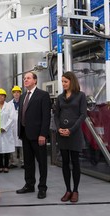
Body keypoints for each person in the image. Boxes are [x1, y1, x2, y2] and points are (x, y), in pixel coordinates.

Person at [16, 71, 51, 199]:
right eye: (24, 78)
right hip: (25, 134)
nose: (25, 80)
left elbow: (46, 117)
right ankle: (29, 185)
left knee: (41, 162)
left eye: (28, 78)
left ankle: (42, 187)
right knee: (28, 162)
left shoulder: (43, 95)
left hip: (38, 136)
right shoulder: (23, 95)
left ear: (35, 80)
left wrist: (43, 134)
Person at [54, 71, 87, 203]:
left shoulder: (81, 96)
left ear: (71, 82)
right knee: (65, 163)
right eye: (62, 82)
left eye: (65, 82)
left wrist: (71, 130)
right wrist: (59, 128)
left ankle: (75, 190)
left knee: (75, 162)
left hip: (74, 134)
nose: (63, 84)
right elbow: (56, 115)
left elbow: (83, 115)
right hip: (62, 134)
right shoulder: (60, 98)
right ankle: (68, 190)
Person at [0, 88, 15, 173]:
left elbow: (11, 118)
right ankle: (0, 166)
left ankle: (6, 166)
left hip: (6, 131)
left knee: (7, 149)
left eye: (2, 95)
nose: (1, 97)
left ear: (5, 97)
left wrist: (5, 127)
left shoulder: (9, 106)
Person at [9, 86, 23, 169]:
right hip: (12, 127)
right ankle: (13, 162)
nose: (16, 94)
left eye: (18, 92)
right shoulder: (9, 104)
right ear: (12, 94)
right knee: (12, 145)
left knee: (22, 145)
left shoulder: (24, 102)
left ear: (20, 93)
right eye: (15, 92)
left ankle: (23, 161)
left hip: (21, 127)